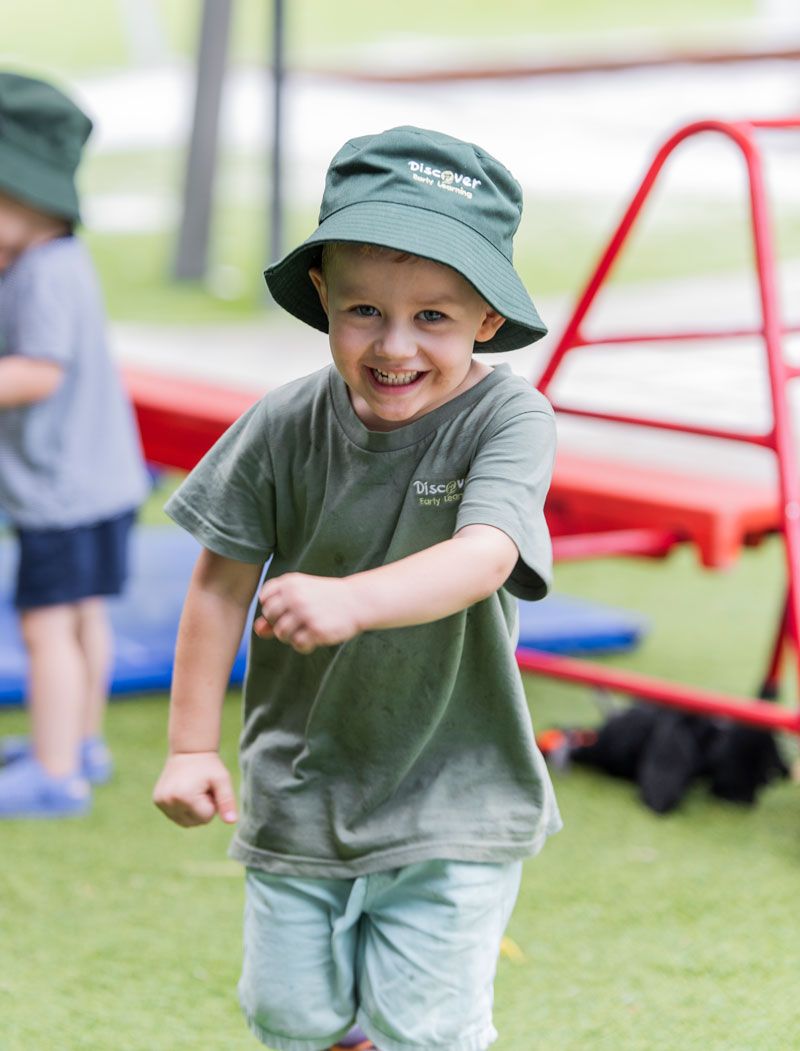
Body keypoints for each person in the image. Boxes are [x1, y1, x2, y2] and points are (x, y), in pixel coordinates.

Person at [153, 125, 561, 1051]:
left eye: (434, 318)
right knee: (290, 1015)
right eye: (365, 310)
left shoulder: (509, 417)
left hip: (460, 786)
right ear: (321, 296)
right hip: (301, 780)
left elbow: (487, 554)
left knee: (426, 1028)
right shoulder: (285, 422)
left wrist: (352, 598)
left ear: (487, 320)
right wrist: (188, 747)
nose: (395, 345)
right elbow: (218, 586)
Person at [0, 72, 149, 818]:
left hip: (59, 489)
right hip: (104, 480)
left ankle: (56, 774)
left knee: (45, 624)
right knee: (84, 615)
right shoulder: (58, 259)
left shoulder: (40, 275)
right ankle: (81, 742)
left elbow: (36, 373)